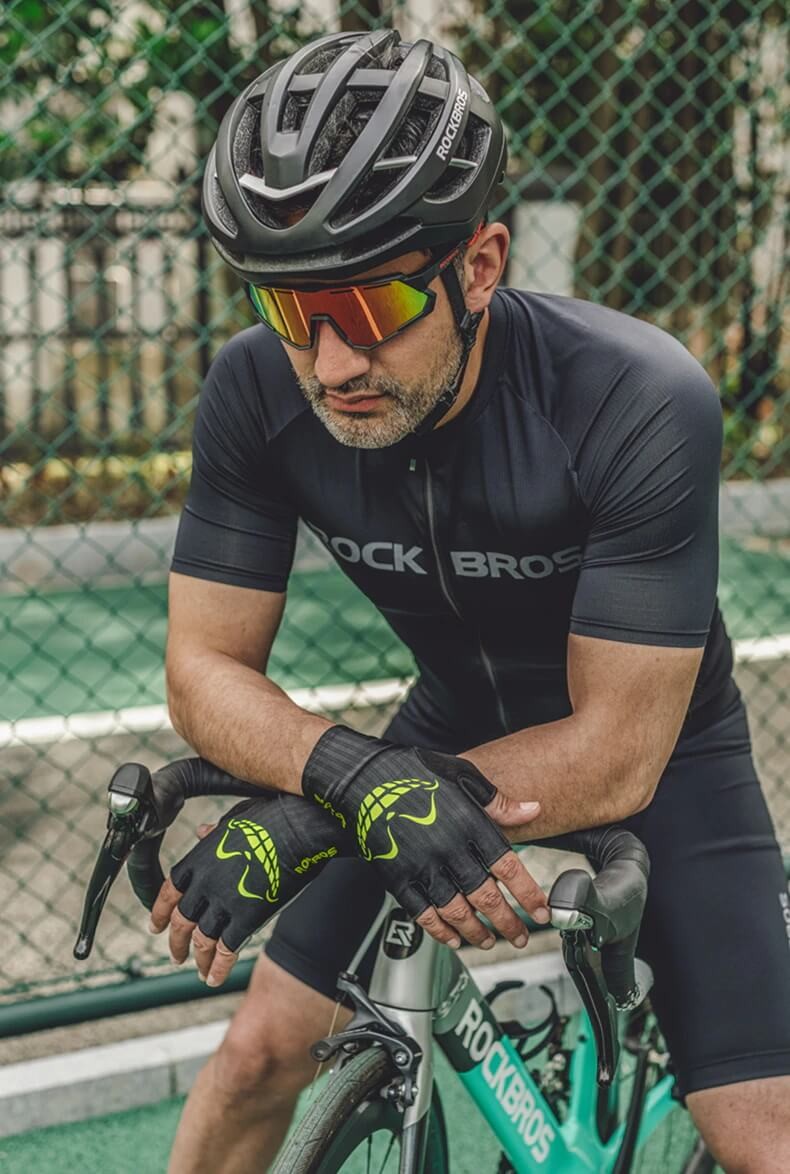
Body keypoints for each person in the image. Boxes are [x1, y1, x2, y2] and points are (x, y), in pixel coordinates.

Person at [153, 28, 790, 1173]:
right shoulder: (253, 389)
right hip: (434, 730)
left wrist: (316, 810)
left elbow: (617, 750)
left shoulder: (637, 398)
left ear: (480, 265)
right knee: (254, 1057)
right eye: (291, 309)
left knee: (759, 1136)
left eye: (371, 303)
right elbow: (202, 667)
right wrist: (352, 780)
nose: (331, 362)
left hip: (663, 755)